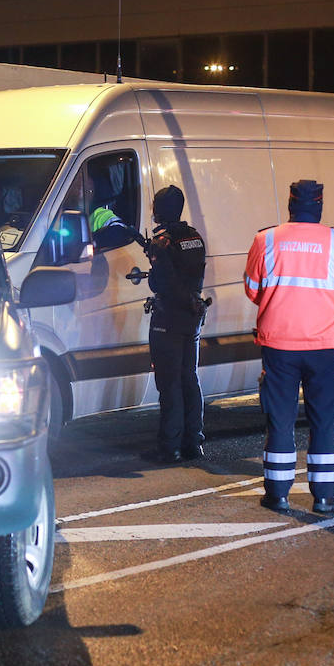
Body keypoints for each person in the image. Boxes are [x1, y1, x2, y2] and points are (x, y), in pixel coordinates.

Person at [244, 179, 334, 515]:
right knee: (323, 421)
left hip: (279, 345)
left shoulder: (265, 239)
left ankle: (277, 495)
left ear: (290, 205)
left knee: (280, 421)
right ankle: (324, 498)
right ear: (320, 206)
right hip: (324, 345)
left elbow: (253, 289)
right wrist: (325, 299)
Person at [145, 185, 208, 462]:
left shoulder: (163, 242)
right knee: (189, 379)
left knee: (169, 383)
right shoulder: (194, 236)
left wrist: (153, 261)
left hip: (169, 317)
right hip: (192, 318)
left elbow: (162, 283)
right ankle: (193, 443)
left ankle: (170, 447)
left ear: (160, 210)